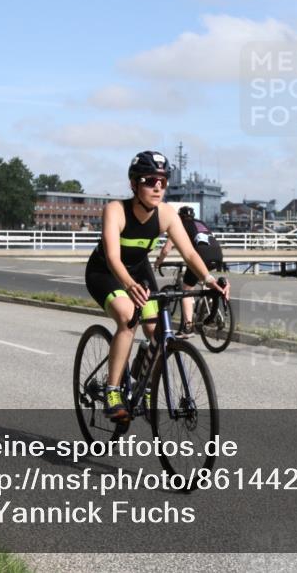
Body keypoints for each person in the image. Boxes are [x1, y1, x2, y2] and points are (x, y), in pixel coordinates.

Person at [84, 151, 229, 420]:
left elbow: (190, 254)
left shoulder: (166, 215)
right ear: (134, 185)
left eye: (163, 181)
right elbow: (114, 257)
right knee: (128, 318)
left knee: (160, 334)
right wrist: (128, 285)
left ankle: (145, 385)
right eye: (150, 180)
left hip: (139, 271)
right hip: (105, 271)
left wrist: (209, 281)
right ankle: (113, 390)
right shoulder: (115, 210)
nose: (158, 187)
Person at [154, 206, 223, 337]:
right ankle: (210, 300)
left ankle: (188, 327)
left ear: (180, 217)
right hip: (217, 254)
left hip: (201, 255)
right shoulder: (200, 223)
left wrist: (158, 262)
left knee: (187, 288)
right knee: (204, 277)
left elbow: (166, 250)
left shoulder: (180, 225)